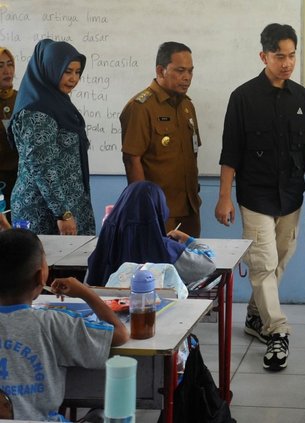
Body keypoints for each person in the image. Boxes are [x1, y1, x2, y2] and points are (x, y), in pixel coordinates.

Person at [214, 23, 305, 371]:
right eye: (280, 56)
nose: (287, 63)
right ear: (264, 56)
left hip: (291, 195)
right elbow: (230, 152)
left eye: (292, 55)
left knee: (279, 261)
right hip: (255, 196)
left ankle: (254, 316)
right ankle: (277, 332)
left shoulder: (301, 97)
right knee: (261, 264)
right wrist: (224, 197)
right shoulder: (243, 97)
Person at [0, 228, 129, 421]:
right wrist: (85, 292)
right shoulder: (53, 324)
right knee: (102, 415)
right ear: (40, 276)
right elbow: (120, 334)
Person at [9, 39, 95, 235]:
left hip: (65, 208)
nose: (74, 78)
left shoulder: (58, 104)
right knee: (46, 265)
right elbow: (42, 167)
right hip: (44, 212)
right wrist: (63, 214)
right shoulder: (37, 111)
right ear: (50, 69)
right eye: (67, 71)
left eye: (77, 72)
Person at [120, 42, 202, 237]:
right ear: (160, 70)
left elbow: (192, 152)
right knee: (160, 265)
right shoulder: (141, 107)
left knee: (190, 264)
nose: (187, 77)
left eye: (190, 71)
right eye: (180, 71)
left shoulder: (187, 106)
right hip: (159, 211)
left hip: (189, 207)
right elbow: (132, 160)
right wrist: (144, 207)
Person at [86, 181, 215, 286]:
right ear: (159, 210)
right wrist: (188, 240)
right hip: (156, 313)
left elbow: (91, 281)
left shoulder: (105, 246)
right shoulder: (165, 248)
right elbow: (208, 265)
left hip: (107, 313)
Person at [0, 47, 18, 215]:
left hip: (20, 180)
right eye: (0, 66)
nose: (7, 71)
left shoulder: (23, 99)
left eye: (10, 64)